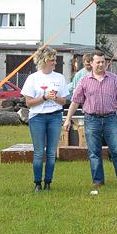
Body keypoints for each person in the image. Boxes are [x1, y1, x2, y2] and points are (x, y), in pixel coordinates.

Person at [64, 51, 117, 187]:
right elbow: (75, 101)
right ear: (91, 63)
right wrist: (67, 119)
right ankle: (98, 181)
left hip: (110, 120)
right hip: (91, 119)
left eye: (103, 62)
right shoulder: (84, 80)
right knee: (94, 152)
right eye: (98, 62)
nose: (101, 65)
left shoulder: (114, 79)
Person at [21, 46, 69, 192]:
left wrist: (56, 98)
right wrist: (44, 97)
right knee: (39, 152)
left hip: (55, 116)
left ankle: (48, 182)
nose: (55, 63)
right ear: (43, 61)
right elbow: (29, 103)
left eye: (55, 60)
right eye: (51, 60)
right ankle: (37, 183)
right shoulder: (33, 78)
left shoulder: (59, 78)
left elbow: (64, 101)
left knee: (52, 152)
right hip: (37, 118)